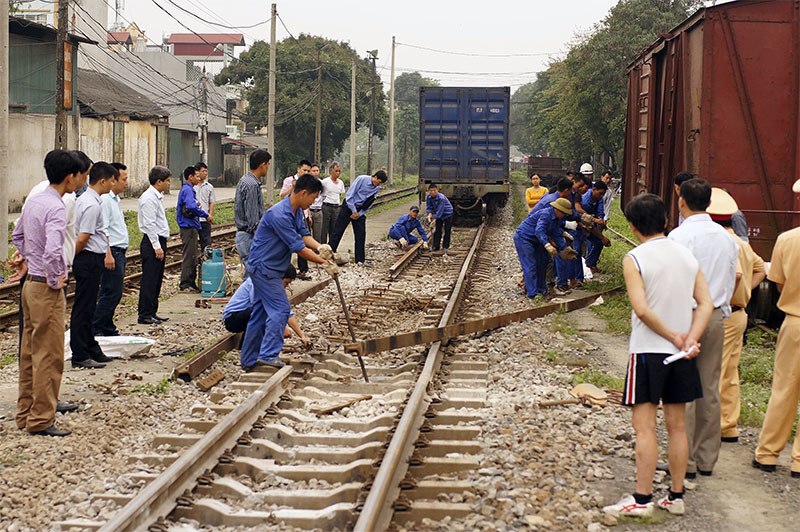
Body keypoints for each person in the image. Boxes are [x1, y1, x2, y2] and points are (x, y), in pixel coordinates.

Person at [603, 193, 712, 518]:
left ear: (633, 227)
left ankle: (641, 499)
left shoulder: (635, 258)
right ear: (666, 221)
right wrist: (689, 339)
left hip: (648, 353)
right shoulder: (687, 256)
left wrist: (672, 336)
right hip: (682, 356)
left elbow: (641, 309)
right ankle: (675, 497)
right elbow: (705, 303)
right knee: (677, 427)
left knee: (645, 427)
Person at [666, 177, 739, 478]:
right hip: (717, 317)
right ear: (710, 204)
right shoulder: (727, 239)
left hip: (687, 316)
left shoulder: (678, 238)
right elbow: (732, 278)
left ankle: (686, 461)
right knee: (709, 387)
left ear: (681, 200)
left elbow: (672, 282)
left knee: (683, 386)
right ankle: (706, 459)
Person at [12, 150, 84, 436]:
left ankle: (24, 413)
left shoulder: (35, 200)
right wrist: (56, 277)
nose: (81, 181)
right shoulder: (56, 205)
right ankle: (41, 418)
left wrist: (29, 258)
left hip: (30, 285)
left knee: (29, 351)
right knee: (50, 354)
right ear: (70, 177)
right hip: (46, 287)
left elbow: (17, 235)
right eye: (80, 176)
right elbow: (55, 249)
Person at [240, 174, 337, 371]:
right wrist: (324, 262)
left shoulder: (295, 210)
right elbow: (299, 248)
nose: (313, 202)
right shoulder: (279, 214)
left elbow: (304, 236)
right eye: (313, 197)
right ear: (303, 193)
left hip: (270, 268)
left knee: (259, 313)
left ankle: (249, 359)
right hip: (264, 269)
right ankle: (268, 354)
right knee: (281, 310)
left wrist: (321, 248)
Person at [706, 188, 765, 443]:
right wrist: (744, 293)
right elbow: (760, 270)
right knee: (730, 371)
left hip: (724, 313)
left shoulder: (722, 242)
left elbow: (739, 274)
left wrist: (728, 292)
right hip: (738, 313)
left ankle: (711, 426)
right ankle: (728, 425)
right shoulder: (741, 243)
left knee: (715, 370)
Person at [752, 177, 800, 478]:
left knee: (784, 389)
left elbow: (779, 284)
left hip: (794, 323)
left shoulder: (787, 240)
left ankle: (768, 454)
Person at [70, 162, 117, 369]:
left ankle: (91, 348)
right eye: (113, 180)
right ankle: (79, 354)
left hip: (90, 258)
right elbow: (82, 239)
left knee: (89, 308)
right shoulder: (90, 204)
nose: (114, 184)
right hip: (88, 258)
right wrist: (70, 259)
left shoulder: (90, 200)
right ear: (103, 181)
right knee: (83, 308)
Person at [223, 265, 309, 347]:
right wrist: (282, 328)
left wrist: (302, 336)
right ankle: (249, 349)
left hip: (248, 316)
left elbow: (287, 313)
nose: (286, 286)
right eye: (286, 283)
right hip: (233, 319)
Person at [92, 162, 130, 337]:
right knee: (111, 292)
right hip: (112, 251)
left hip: (118, 251)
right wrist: (108, 254)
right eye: (123, 179)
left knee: (112, 291)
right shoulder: (106, 200)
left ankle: (106, 325)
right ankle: (98, 326)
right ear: (111, 180)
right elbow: (103, 228)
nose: (126, 182)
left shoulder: (115, 200)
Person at [514, 197, 575, 299]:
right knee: (530, 265)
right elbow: (539, 231)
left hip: (537, 240)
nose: (564, 215)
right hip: (524, 238)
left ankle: (542, 291)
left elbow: (555, 233)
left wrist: (564, 248)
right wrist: (547, 245)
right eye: (564, 213)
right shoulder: (546, 214)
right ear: (558, 210)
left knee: (542, 264)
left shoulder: (556, 219)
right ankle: (532, 294)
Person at [328, 170, 388, 264]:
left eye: (380, 184)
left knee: (361, 234)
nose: (378, 185)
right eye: (378, 182)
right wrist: (353, 211)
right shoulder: (361, 179)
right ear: (375, 177)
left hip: (360, 211)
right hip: (348, 206)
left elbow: (370, 203)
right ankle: (328, 256)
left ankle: (360, 260)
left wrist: (359, 214)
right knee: (337, 231)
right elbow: (349, 196)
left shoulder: (376, 189)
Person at [137, 166, 172, 325]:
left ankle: (152, 311)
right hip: (152, 242)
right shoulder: (149, 198)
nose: (169, 183)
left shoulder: (157, 196)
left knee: (157, 279)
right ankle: (144, 314)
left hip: (158, 240)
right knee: (150, 280)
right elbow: (149, 224)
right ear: (159, 182)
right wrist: (156, 246)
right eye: (167, 181)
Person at [234, 149, 271, 276]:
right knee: (253, 276)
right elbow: (253, 217)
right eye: (268, 164)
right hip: (249, 237)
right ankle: (244, 297)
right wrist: (261, 238)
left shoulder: (244, 180)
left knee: (252, 274)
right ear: (262, 164)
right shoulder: (252, 185)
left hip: (243, 236)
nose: (268, 168)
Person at [554, 173, 591, 294]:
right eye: (579, 186)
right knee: (564, 254)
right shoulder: (559, 197)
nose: (580, 189)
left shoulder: (573, 195)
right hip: (559, 226)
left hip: (563, 226)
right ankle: (562, 282)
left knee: (569, 253)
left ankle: (564, 282)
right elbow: (567, 213)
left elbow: (570, 212)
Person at [177, 166, 209, 292]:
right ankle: (185, 284)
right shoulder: (188, 190)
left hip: (191, 226)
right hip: (188, 226)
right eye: (196, 176)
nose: (198, 178)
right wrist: (205, 215)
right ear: (190, 177)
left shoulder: (188, 189)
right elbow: (190, 206)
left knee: (193, 255)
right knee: (189, 255)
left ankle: (191, 282)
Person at [281, 160, 313, 278]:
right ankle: (285, 270)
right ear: (298, 169)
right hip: (290, 215)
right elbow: (282, 196)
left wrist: (308, 214)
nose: (306, 173)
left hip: (302, 214)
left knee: (304, 240)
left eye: (308, 171)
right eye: (304, 170)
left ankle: (303, 269)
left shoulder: (308, 182)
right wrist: (292, 188)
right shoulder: (289, 181)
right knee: (290, 242)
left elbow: (307, 201)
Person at [582, 180, 611, 273]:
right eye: (600, 193)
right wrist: (602, 237)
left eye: (603, 194)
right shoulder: (586, 201)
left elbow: (600, 209)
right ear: (594, 190)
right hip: (582, 225)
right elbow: (588, 223)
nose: (602, 196)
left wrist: (601, 219)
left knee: (598, 242)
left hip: (591, 221)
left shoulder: (598, 197)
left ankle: (590, 263)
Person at [320, 162, 345, 243]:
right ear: (331, 171)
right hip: (326, 207)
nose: (337, 173)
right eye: (336, 171)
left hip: (336, 207)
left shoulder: (340, 183)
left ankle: (332, 247)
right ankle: (323, 247)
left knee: (334, 229)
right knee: (324, 229)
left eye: (339, 171)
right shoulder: (325, 182)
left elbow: (340, 194)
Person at [426, 183, 454, 255]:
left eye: (434, 190)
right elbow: (429, 207)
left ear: (437, 190)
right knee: (438, 230)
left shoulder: (441, 198)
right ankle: (436, 246)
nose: (433, 192)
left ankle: (445, 246)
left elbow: (440, 210)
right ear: (428, 191)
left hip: (447, 213)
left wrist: (435, 219)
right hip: (438, 214)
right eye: (431, 190)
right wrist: (429, 214)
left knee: (447, 230)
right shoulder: (428, 197)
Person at [194, 162, 216, 252]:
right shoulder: (192, 186)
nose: (205, 173)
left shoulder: (209, 187)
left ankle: (206, 259)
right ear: (197, 172)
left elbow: (211, 202)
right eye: (203, 171)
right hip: (194, 219)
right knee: (193, 242)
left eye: (206, 171)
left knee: (206, 242)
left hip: (205, 218)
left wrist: (210, 214)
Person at [308, 163, 324, 244]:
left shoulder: (322, 183)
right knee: (306, 234)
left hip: (318, 211)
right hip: (308, 210)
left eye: (317, 171)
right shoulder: (307, 183)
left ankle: (316, 253)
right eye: (314, 171)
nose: (316, 172)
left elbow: (324, 195)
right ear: (310, 172)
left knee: (317, 235)